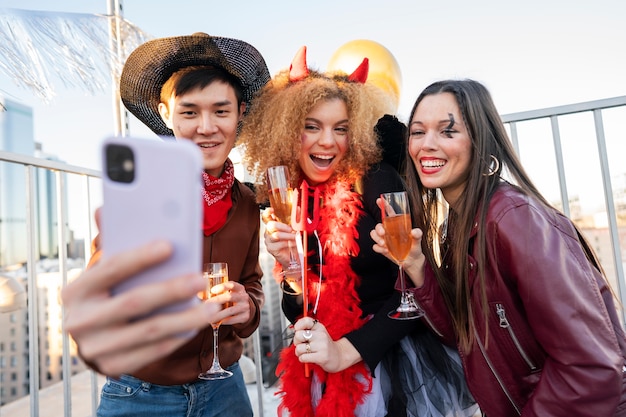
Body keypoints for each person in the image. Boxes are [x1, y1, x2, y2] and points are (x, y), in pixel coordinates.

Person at [364, 79, 626, 416]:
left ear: (481, 140)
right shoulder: (459, 223)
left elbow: (593, 366)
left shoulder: (513, 220)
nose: (427, 145)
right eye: (417, 132)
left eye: (448, 131)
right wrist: (415, 264)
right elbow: (461, 336)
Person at [238, 47, 474, 417]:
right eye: (311, 126)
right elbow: (299, 312)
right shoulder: (293, 196)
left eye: (341, 129)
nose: (327, 141)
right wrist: (291, 270)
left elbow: (416, 295)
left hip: (385, 360)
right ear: (287, 131)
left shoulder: (379, 182)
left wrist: (347, 351)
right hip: (325, 364)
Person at [62, 33, 269, 417]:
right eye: (189, 112)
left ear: (240, 113)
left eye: (220, 111)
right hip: (140, 393)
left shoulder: (248, 202)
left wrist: (249, 307)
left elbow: (253, 280)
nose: (206, 128)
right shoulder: (141, 192)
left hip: (226, 388)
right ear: (166, 113)